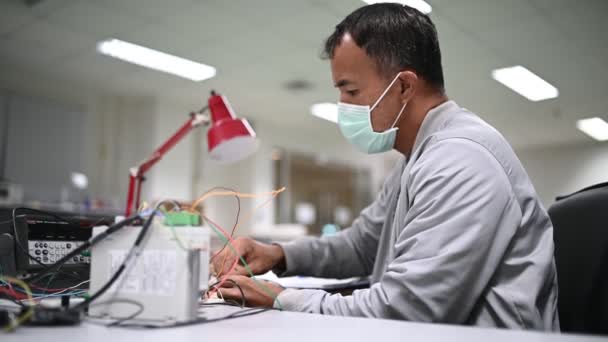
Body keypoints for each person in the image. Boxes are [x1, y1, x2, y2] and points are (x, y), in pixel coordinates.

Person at [213, 3, 559, 330]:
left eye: (350, 91)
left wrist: (282, 298)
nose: (342, 106)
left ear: (405, 86)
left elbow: (407, 311)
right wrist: (277, 254)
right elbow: (362, 247)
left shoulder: (460, 161)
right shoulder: (418, 157)